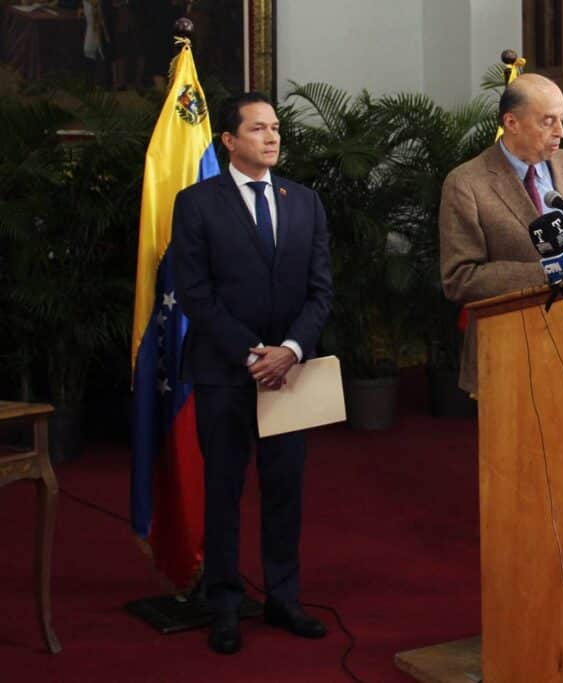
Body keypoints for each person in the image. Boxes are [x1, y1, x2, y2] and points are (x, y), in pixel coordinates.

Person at [171, 92, 333, 655]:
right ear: (230, 141)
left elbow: (320, 291)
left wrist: (289, 348)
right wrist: (251, 353)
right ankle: (223, 603)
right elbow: (195, 294)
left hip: (290, 373)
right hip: (224, 373)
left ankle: (283, 597)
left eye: (276, 128)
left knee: (285, 489)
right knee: (224, 490)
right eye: (258, 128)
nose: (272, 137)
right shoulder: (196, 204)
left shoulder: (305, 201)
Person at [439, 73, 563, 394]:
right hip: (508, 351)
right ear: (512, 122)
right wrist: (548, 273)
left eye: (562, 119)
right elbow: (460, 277)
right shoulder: (467, 182)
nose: (561, 132)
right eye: (548, 121)